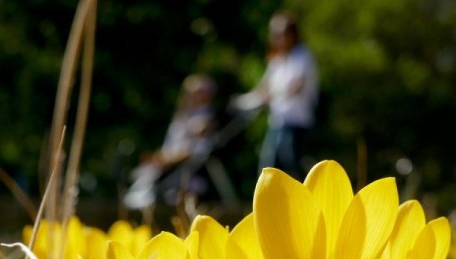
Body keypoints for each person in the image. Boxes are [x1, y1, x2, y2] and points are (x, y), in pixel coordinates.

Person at [232, 11, 318, 179]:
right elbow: (264, 87)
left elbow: (297, 86)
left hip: (296, 121)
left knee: (291, 163)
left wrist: (274, 95)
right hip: (278, 121)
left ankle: (306, 200)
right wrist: (245, 101)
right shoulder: (276, 60)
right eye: (274, 34)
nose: (276, 38)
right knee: (268, 164)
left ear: (292, 34)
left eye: (281, 33)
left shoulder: (303, 56)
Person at [125, 74, 217, 210]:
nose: (196, 96)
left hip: (183, 163)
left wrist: (165, 158)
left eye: (200, 93)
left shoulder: (207, 117)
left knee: (152, 174)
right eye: (193, 93)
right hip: (168, 159)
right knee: (142, 174)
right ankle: (135, 204)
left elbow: (192, 150)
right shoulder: (182, 115)